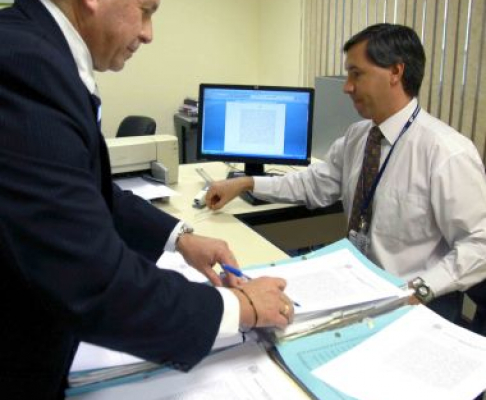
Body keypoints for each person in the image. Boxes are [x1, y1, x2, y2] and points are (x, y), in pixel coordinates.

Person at [0, 0, 294, 398]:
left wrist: (180, 237)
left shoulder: (40, 51)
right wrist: (242, 306)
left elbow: (88, 191)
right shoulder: (24, 62)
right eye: (145, 9)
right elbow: (92, 281)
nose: (148, 33)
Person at [207, 23, 486, 321]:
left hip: (416, 304)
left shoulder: (446, 152)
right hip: (357, 288)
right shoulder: (359, 136)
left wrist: (420, 290)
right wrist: (247, 183)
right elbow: (313, 184)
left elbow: (479, 243)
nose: (346, 86)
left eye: (357, 73)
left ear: (395, 72)